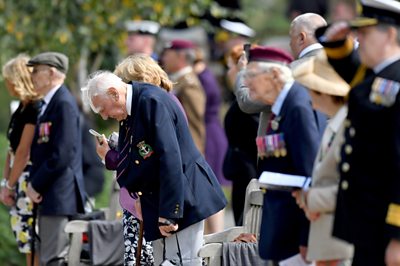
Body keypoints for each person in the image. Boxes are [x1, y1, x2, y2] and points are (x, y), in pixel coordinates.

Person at [82, 67, 227, 265]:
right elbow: (138, 159)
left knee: (184, 261)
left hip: (182, 198)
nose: (104, 116)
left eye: (102, 109)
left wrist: (169, 212)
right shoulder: (130, 108)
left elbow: (170, 159)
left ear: (114, 94)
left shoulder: (151, 102)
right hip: (159, 199)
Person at [314, 0, 400, 265]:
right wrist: (334, 41)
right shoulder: (376, 76)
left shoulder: (394, 78)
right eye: (357, 32)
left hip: (387, 226)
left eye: (365, 33)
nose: (358, 38)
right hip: (367, 222)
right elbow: (352, 74)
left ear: (390, 34)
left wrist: (398, 237)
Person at [243, 46, 326, 263]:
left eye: (251, 75)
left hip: (294, 232)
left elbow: (310, 175)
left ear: (275, 75)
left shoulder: (297, 106)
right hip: (281, 226)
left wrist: (307, 237)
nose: (246, 82)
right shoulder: (283, 105)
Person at [291, 52, 354, 265]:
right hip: (329, 241)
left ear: (325, 92)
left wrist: (310, 198)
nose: (310, 99)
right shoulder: (335, 124)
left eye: (312, 90)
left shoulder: (349, 127)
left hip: (342, 241)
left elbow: (354, 188)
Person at [25, 52, 86, 266]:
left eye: (35, 71)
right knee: (47, 255)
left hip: (57, 194)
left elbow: (63, 154)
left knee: (54, 258)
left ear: (51, 73)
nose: (32, 77)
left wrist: (35, 184)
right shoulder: (52, 103)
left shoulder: (63, 104)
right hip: (50, 194)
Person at [0, 54, 41, 266]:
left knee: (34, 241)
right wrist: (5, 182)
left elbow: (24, 152)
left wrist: (10, 184)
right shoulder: (21, 109)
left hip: (27, 178)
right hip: (18, 179)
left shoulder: (35, 108)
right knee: (26, 241)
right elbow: (12, 149)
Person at [223, 44, 259, 226]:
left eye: (230, 67)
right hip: (242, 172)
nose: (228, 73)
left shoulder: (251, 100)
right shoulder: (240, 99)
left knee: (246, 228)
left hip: (249, 172)